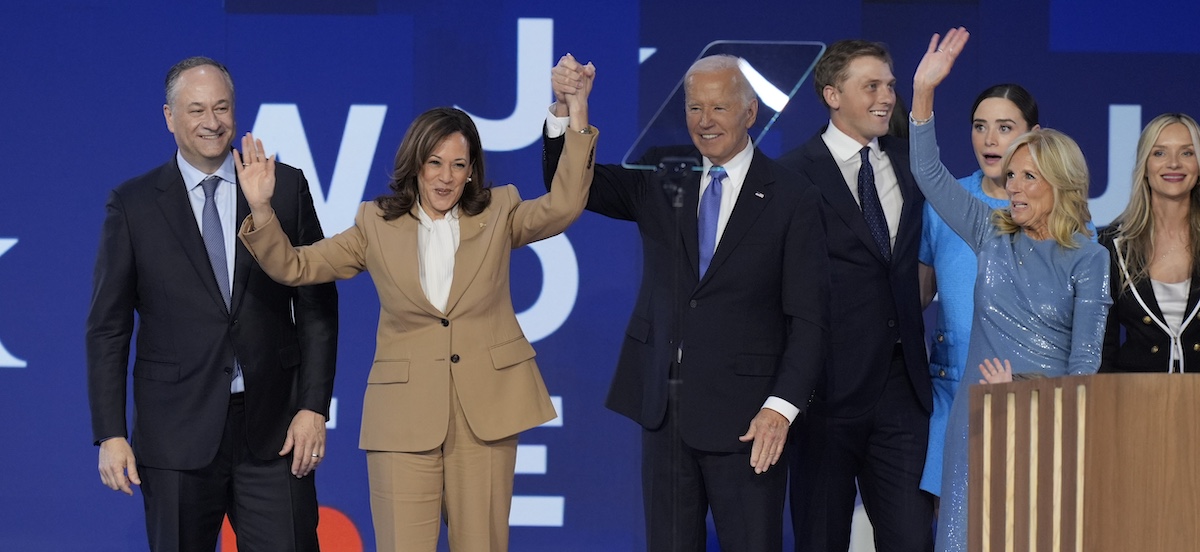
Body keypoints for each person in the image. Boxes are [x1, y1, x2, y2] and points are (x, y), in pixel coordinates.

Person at [235, 64, 598, 550]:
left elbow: (565, 205)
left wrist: (576, 111)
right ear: (415, 164)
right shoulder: (376, 224)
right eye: (435, 163)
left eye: (458, 165)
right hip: (402, 420)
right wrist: (261, 208)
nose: (446, 178)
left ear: (472, 172)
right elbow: (296, 267)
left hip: (484, 416)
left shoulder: (499, 212)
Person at [544, 54, 829, 550]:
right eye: (695, 107)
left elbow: (809, 319)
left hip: (749, 422)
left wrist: (780, 409)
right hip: (666, 412)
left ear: (750, 113)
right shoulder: (663, 177)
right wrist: (569, 110)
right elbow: (571, 186)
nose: (704, 120)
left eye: (719, 107)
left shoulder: (791, 196)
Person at [86, 56, 339, 552]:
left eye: (222, 108)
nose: (212, 122)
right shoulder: (133, 204)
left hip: (275, 430)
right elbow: (108, 328)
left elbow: (317, 306)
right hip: (175, 435)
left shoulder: (283, 188)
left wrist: (313, 406)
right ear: (169, 117)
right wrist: (110, 433)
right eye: (197, 109)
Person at [909, 28, 1111, 552]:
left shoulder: (1090, 257)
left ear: (1061, 184)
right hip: (975, 423)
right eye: (1012, 175)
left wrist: (1024, 392)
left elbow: (1085, 363)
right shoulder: (989, 232)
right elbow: (928, 173)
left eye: (1028, 177)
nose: (1013, 188)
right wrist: (924, 94)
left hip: (1046, 427)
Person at [777, 40, 934, 552]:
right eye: (872, 86)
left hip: (901, 390)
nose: (887, 96)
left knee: (912, 540)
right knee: (821, 540)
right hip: (825, 392)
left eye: (889, 85)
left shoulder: (914, 165)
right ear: (832, 95)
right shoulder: (792, 174)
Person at [918, 83, 1040, 499]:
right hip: (951, 398)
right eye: (979, 126)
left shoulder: (1063, 219)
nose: (989, 140)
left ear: (1033, 135)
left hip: (1029, 401)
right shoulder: (943, 204)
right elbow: (914, 297)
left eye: (1005, 127)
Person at [1101, 113, 1200, 373]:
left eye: (1187, 153)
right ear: (1144, 166)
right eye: (1160, 153)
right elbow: (1103, 347)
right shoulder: (1112, 244)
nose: (1174, 164)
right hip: (1136, 400)